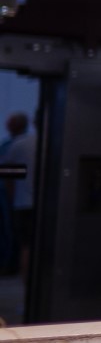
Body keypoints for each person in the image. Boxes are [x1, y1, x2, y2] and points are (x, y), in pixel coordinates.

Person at [0, 111, 31, 277]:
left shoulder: (14, 145)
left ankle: (11, 265)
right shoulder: (26, 143)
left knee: (12, 233)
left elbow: (9, 173)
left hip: (12, 197)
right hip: (14, 195)